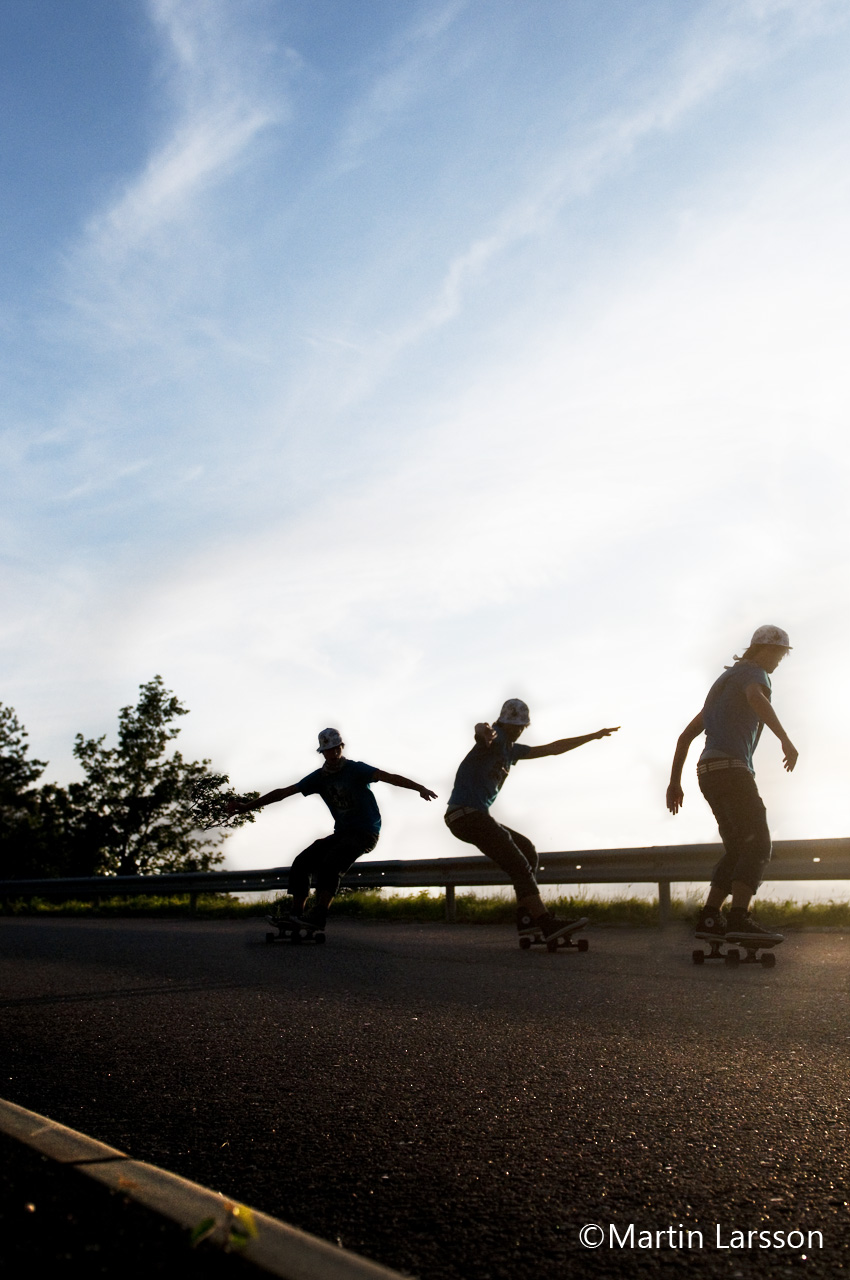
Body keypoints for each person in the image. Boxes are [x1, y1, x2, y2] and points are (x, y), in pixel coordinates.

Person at [444, 699, 620, 941]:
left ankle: (527, 919)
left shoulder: (512, 750)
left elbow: (552, 748)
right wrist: (483, 731)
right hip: (465, 814)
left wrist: (593, 736)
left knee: (527, 851)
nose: (517, 731)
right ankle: (546, 923)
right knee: (517, 862)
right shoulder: (494, 740)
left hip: (472, 816)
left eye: (521, 728)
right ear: (503, 723)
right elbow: (481, 729)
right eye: (513, 727)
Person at [666, 625, 797, 944]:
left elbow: (685, 737)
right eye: (778, 654)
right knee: (759, 841)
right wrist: (785, 740)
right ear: (763, 650)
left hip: (706, 771)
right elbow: (755, 697)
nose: (779, 661)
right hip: (732, 769)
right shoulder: (755, 675)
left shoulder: (722, 683)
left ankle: (710, 917)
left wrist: (674, 783)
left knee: (738, 847)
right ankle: (738, 918)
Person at [229, 728, 437, 929]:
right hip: (343, 833)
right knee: (303, 862)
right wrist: (246, 807)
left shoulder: (356, 769)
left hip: (366, 832)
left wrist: (419, 788)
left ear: (342, 747)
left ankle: (318, 915)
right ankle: (296, 914)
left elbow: (388, 777)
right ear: (322, 752)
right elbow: (283, 792)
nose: (334, 753)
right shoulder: (319, 778)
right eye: (329, 750)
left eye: (337, 749)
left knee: (331, 863)